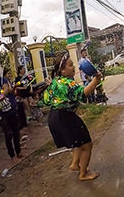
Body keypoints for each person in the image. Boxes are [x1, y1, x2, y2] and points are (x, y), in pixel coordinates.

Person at [43, 52, 102, 181]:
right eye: (70, 65)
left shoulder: (55, 82)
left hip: (53, 117)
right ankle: (83, 174)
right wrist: (96, 80)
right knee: (87, 144)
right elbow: (82, 94)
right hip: (65, 117)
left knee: (77, 142)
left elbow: (46, 100)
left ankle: (75, 164)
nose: (74, 67)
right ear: (62, 71)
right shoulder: (68, 83)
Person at [0, 62, 23, 162]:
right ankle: (12, 156)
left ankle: (19, 151)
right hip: (2, 113)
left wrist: (3, 95)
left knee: (16, 132)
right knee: (8, 134)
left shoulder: (2, 80)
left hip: (12, 109)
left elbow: (6, 88)